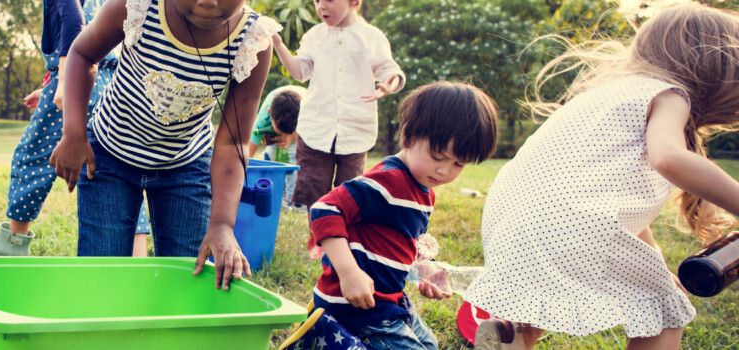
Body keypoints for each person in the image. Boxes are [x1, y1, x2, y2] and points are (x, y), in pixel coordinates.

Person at [465, 4, 739, 349]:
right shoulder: (670, 95)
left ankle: (513, 334)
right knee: (664, 312)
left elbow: (616, 197)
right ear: (714, 69)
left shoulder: (607, 95)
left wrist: (652, 262)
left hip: (509, 224)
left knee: (541, 299)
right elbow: (669, 159)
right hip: (571, 225)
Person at [51, 0, 281, 290]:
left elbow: (233, 141)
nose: (208, 1)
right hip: (110, 156)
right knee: (101, 275)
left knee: (186, 278)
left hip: (185, 167)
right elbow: (82, 54)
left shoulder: (253, 40)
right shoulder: (137, 6)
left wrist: (222, 224)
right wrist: (73, 134)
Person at [286, 81, 497, 350]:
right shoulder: (388, 181)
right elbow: (325, 209)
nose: (445, 171)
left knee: (429, 345)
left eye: (458, 163)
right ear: (408, 136)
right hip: (355, 306)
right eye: (437, 156)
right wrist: (349, 273)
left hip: (389, 301)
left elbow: (405, 242)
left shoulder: (424, 190)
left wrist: (427, 269)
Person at [0, 0, 158, 256]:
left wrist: (62, 83)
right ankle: (137, 256)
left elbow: (73, 21)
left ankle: (13, 240)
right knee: (118, 169)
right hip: (111, 84)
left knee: (31, 158)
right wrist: (48, 87)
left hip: (76, 78)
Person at [271, 0, 404, 208]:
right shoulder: (314, 36)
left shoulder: (371, 37)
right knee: (313, 193)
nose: (321, 6)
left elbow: (389, 69)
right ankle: (317, 239)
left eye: (329, 0)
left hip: (355, 130)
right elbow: (299, 72)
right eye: (316, 1)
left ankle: (343, 237)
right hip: (316, 128)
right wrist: (278, 45)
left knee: (350, 195)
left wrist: (389, 83)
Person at [248, 85, 304, 207]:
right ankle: (273, 190)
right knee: (271, 157)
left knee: (293, 160)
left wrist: (292, 137)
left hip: (302, 124)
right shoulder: (263, 119)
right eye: (280, 132)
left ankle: (293, 201)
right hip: (279, 114)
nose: (283, 135)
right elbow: (248, 154)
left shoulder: (309, 108)